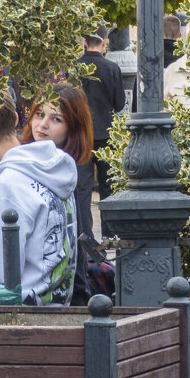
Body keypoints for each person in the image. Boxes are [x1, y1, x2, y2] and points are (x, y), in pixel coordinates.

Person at [0, 90, 80, 306]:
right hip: (57, 310)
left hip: (22, 320)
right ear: (14, 120)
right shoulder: (50, 170)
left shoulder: (7, 186)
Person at [18, 84, 94, 304]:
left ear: (74, 128)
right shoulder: (16, 167)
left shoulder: (69, 174)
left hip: (65, 294)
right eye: (39, 114)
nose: (43, 124)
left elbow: (75, 238)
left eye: (56, 119)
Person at [76, 25, 125, 238]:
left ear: (85, 42)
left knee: (83, 189)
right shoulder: (112, 68)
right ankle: (109, 234)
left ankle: (86, 235)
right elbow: (120, 103)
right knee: (108, 188)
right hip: (106, 133)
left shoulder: (75, 68)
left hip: (82, 134)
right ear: (104, 42)